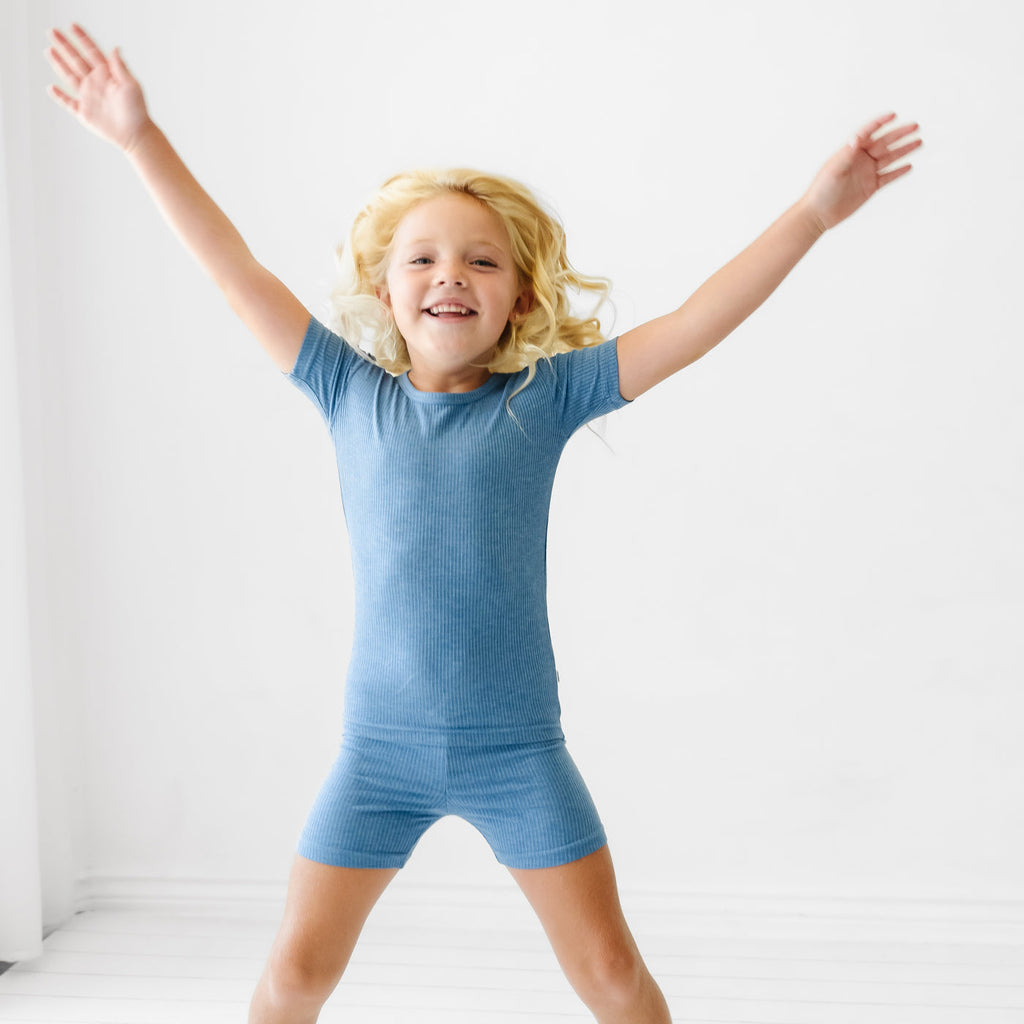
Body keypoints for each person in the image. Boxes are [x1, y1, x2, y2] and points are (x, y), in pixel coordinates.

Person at [46, 23, 921, 1024]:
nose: (450, 274)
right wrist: (137, 137)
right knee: (294, 974)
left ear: (520, 297)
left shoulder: (542, 400)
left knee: (609, 974)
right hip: (377, 753)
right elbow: (232, 267)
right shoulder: (346, 390)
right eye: (422, 258)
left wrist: (814, 210)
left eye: (480, 261)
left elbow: (692, 322)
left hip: (519, 752)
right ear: (386, 291)